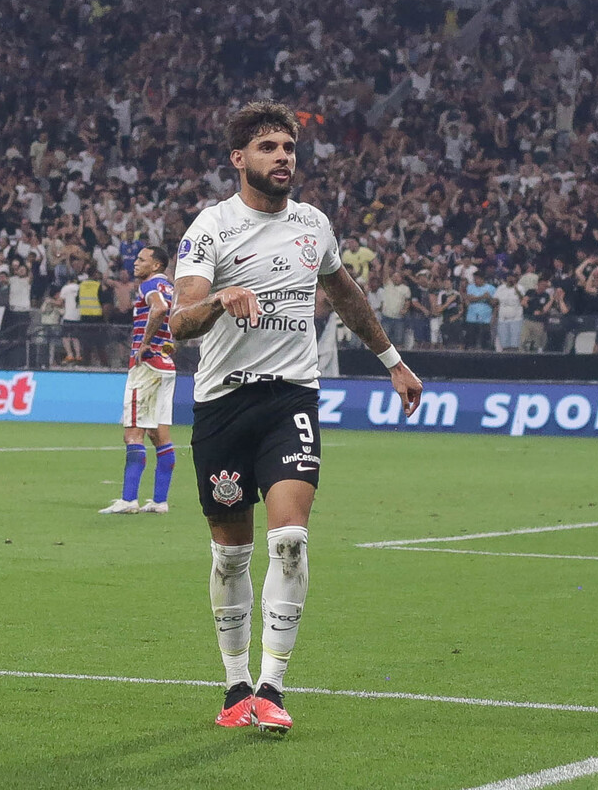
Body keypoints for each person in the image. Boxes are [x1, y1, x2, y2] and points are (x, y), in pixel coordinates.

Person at [170, 101, 423, 735]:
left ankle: (272, 685)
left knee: (289, 541)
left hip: (291, 400)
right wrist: (221, 299)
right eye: (268, 147)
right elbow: (179, 322)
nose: (283, 157)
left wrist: (392, 361)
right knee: (232, 555)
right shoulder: (211, 228)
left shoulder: (314, 224)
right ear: (239, 159)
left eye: (288, 147)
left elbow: (345, 294)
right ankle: (235, 686)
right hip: (224, 404)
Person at [99, 245, 177, 514]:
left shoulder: (150, 285)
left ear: (156, 265)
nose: (135, 263)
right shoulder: (171, 288)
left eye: (142, 260)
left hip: (147, 366)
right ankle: (159, 501)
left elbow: (159, 308)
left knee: (133, 434)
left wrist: (145, 343)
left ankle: (129, 500)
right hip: (166, 365)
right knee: (160, 435)